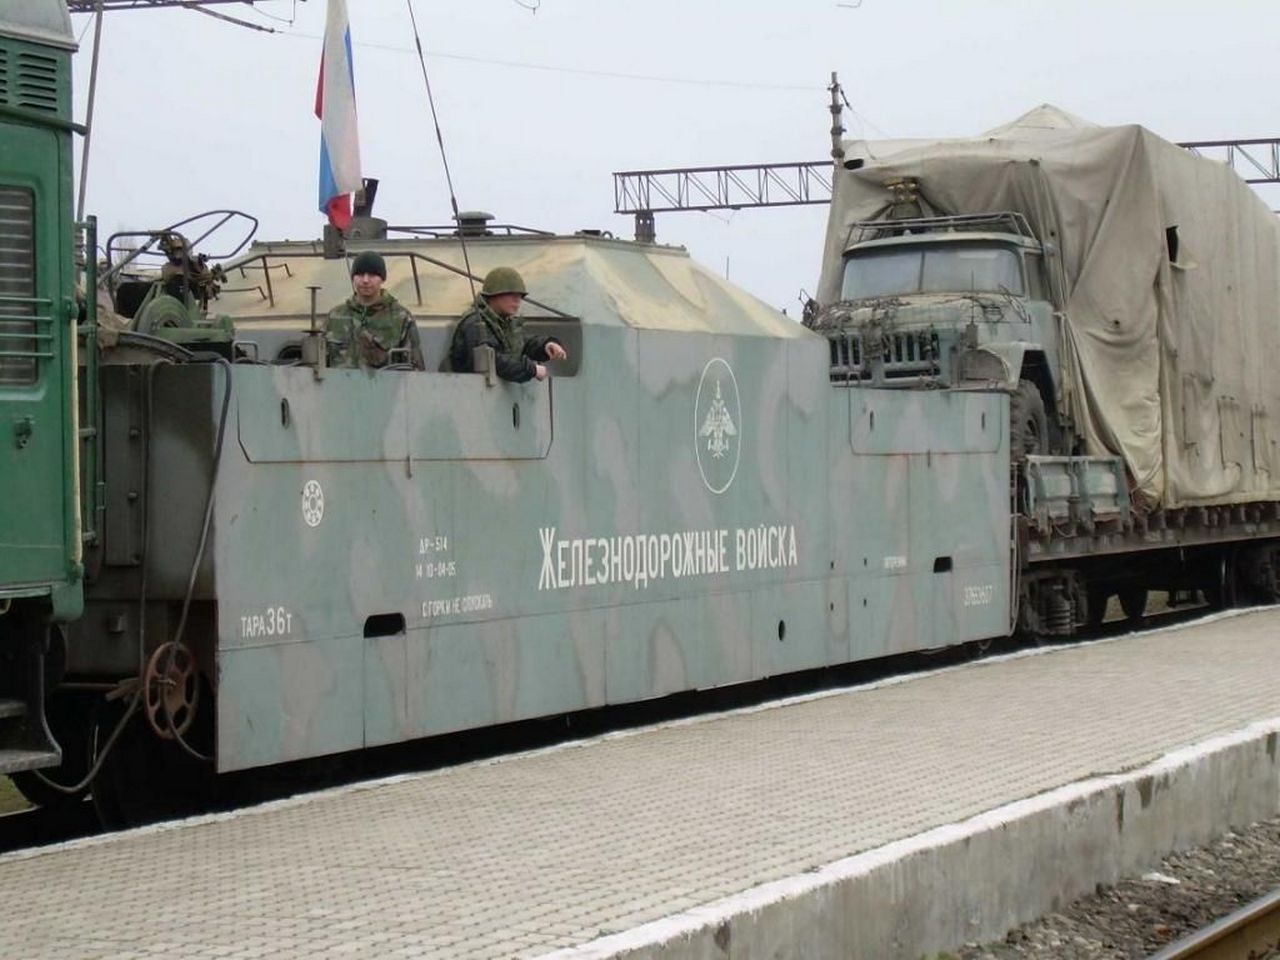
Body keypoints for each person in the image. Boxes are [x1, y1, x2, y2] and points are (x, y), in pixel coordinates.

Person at [449, 266, 567, 382]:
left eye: (520, 296)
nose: (517, 300)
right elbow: (493, 361)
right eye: (511, 294)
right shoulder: (475, 323)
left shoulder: (502, 323)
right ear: (493, 295)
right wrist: (532, 370)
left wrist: (546, 345)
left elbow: (520, 343)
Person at [326, 251, 425, 370]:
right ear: (353, 278)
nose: (365, 280)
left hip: (386, 382)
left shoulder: (401, 318)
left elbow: (415, 369)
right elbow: (320, 362)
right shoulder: (335, 316)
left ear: (382, 279)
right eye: (360, 275)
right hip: (339, 382)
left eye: (372, 275)